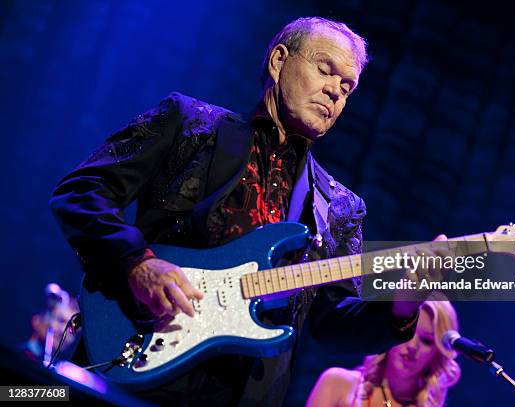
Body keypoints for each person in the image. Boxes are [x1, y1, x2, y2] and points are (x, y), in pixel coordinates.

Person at [50, 17, 442, 405]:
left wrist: (403, 304)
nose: (335, 92)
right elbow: (82, 192)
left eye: (347, 87)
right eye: (325, 70)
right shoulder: (190, 123)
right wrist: (135, 262)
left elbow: (331, 324)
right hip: (137, 349)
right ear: (278, 61)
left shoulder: (340, 207)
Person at [306, 297, 461, 407]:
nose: (413, 346)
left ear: (438, 353)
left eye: (426, 340)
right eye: (408, 333)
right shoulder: (337, 383)